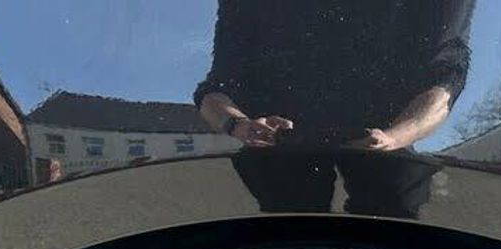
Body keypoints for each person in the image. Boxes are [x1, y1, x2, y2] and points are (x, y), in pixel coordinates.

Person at [195, 0, 475, 218]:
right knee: (278, 192)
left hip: (386, 135)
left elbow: (445, 79)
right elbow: (216, 87)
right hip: (281, 142)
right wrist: (240, 125)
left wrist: (393, 138)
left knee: (395, 195)